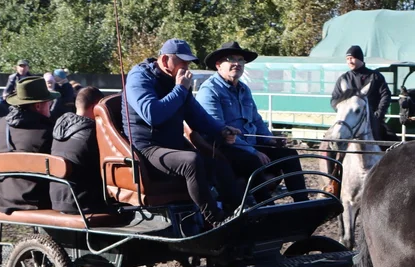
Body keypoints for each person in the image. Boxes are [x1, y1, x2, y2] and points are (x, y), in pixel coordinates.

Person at [123, 38, 242, 226]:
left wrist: (222, 130)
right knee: (191, 162)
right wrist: (180, 89)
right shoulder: (140, 78)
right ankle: (215, 220)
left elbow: (197, 116)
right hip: (147, 148)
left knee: (217, 160)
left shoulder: (177, 81)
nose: (187, 68)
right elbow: (152, 115)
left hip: (173, 145)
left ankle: (238, 213)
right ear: (164, 61)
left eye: (188, 63)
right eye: (183, 62)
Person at [197, 41, 308, 202]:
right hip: (225, 150)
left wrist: (270, 139)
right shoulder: (209, 90)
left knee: (289, 155)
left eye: (241, 60)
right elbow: (217, 128)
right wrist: (253, 151)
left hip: (250, 146)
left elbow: (256, 120)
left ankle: (302, 203)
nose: (237, 64)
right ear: (218, 65)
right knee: (252, 160)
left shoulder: (244, 89)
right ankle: (264, 206)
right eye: (231, 59)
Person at [0, 76, 55, 212]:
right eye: (49, 102)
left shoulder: (0, 124)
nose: (51, 106)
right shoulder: (48, 131)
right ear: (38, 105)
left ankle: (35, 234)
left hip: (4, 200)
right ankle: (40, 235)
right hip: (39, 202)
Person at [51, 86, 104, 214]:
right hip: (84, 204)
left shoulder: (60, 127)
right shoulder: (93, 133)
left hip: (57, 200)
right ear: (96, 107)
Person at [330, 45, 394, 142]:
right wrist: (344, 112)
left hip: (372, 120)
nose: (349, 61)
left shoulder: (375, 76)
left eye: (352, 58)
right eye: (347, 59)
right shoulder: (344, 78)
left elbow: (385, 95)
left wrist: (379, 114)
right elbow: (335, 99)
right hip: (348, 121)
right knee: (330, 141)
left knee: (391, 139)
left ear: (360, 58)